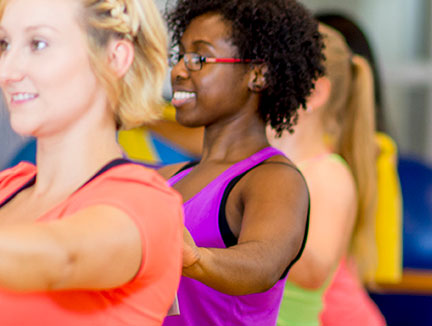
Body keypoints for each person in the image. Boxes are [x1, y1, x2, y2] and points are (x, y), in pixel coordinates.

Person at [0, 0, 183, 324]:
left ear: (114, 58)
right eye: (4, 44)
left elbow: (59, 260)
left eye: (38, 44)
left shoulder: (146, 204)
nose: (7, 71)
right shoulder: (8, 184)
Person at [160, 0, 319, 325]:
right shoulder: (169, 176)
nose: (178, 70)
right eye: (179, 56)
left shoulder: (274, 179)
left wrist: (195, 259)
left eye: (199, 58)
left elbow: (262, 264)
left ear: (256, 74)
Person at [272, 23, 385, 326]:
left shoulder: (327, 175)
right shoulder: (270, 168)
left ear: (314, 92)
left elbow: (312, 271)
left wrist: (238, 228)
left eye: (270, 74)